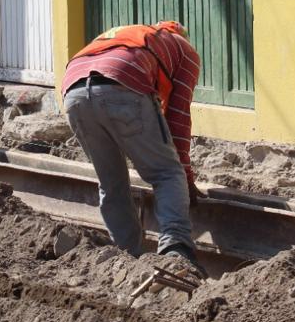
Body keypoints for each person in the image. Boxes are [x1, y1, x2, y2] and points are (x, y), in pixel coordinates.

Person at [62, 21, 206, 273]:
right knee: (166, 173)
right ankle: (176, 250)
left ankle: (125, 259)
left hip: (73, 89)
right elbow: (177, 117)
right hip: (123, 78)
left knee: (111, 181)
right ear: (182, 36)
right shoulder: (186, 51)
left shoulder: (133, 35)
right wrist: (185, 175)